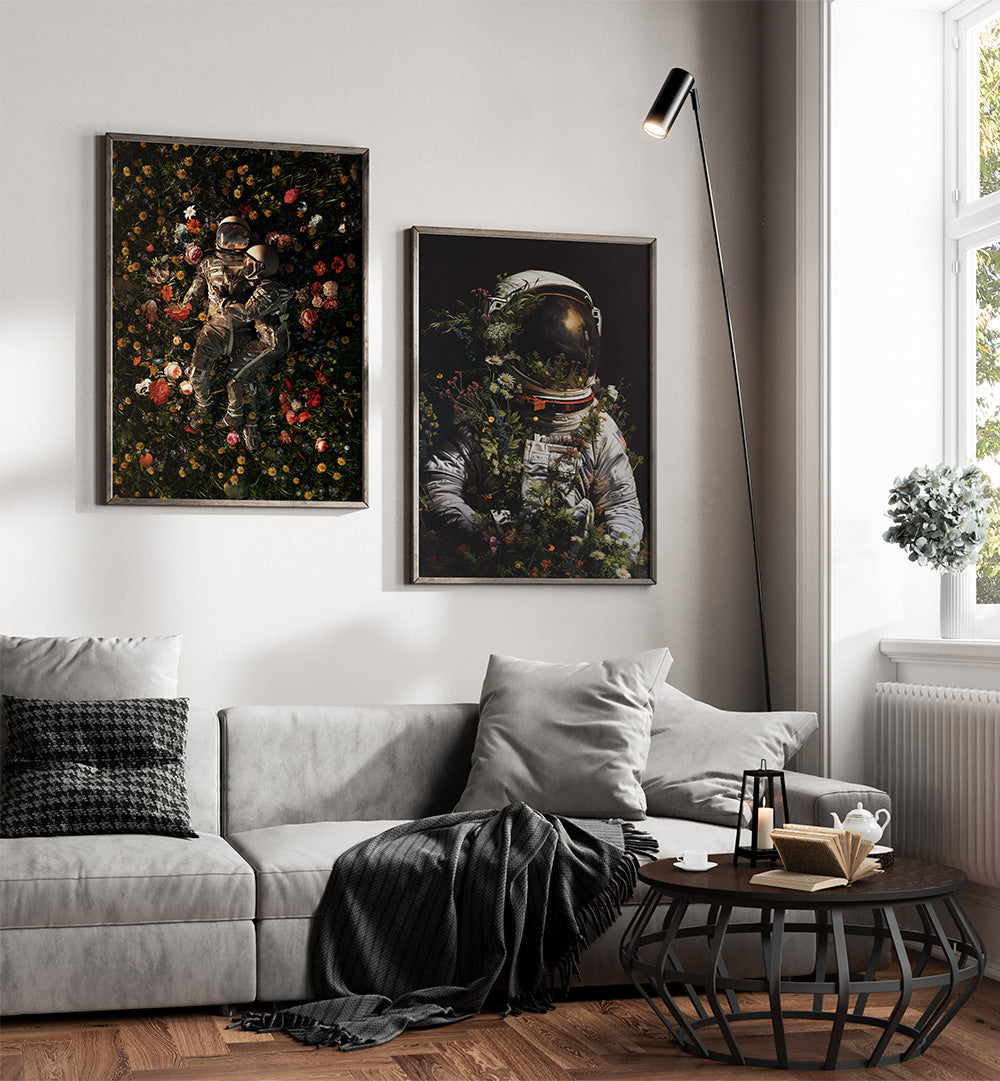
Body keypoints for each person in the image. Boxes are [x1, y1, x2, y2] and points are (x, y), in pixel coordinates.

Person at [421, 270, 644, 573]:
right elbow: (440, 485)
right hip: (491, 570)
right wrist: (484, 535)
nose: (557, 361)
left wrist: (608, 565)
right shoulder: (486, 419)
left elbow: (622, 507)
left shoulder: (598, 428)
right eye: (544, 351)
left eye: (562, 355)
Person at [216, 244, 294, 450]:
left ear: (263, 268)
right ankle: (250, 432)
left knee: (235, 374)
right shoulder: (269, 285)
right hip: (268, 340)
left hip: (271, 343)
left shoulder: (269, 289)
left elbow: (246, 313)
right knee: (249, 380)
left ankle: (235, 416)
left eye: (250, 265)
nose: (245, 268)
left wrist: (224, 303)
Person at [181, 215, 254, 430]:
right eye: (228, 238)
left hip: (242, 328)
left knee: (243, 377)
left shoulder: (252, 263)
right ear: (218, 238)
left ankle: (237, 413)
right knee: (197, 373)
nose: (232, 244)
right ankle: (204, 405)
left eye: (237, 238)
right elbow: (195, 292)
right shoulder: (208, 263)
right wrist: (183, 310)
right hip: (214, 329)